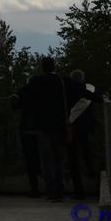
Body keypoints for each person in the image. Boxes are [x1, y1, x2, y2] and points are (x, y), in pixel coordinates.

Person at [25, 57, 106, 202]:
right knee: (58, 159)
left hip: (42, 125)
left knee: (47, 159)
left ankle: (51, 191)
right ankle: (60, 190)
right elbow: (82, 91)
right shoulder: (62, 81)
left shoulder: (37, 81)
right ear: (54, 66)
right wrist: (100, 98)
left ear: (42, 67)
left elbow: (24, 94)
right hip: (59, 125)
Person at [67, 69, 99, 198]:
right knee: (88, 155)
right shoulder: (90, 89)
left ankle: (78, 190)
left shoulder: (68, 90)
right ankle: (92, 174)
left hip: (72, 128)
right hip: (87, 129)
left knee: (74, 160)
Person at [11, 76, 41, 197]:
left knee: (30, 160)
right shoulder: (42, 93)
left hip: (27, 130)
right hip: (41, 129)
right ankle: (52, 188)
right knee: (46, 158)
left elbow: (15, 105)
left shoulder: (23, 92)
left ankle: (34, 188)